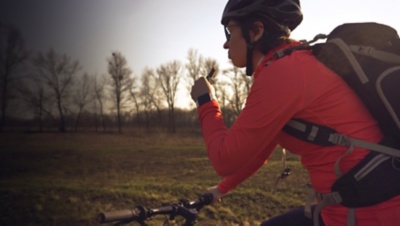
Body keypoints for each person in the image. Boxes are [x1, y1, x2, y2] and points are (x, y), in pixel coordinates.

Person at [190, 0, 400, 225]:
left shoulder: (282, 73)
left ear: (256, 31)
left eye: (230, 31)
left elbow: (224, 159)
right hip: (348, 204)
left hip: (368, 213)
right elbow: (259, 151)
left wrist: (205, 100)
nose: (225, 43)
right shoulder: (292, 63)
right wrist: (221, 189)